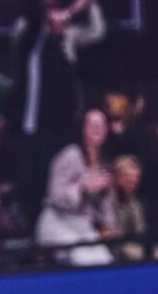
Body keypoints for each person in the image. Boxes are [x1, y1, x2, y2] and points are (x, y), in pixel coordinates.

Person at [34, 109, 115, 266]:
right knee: (82, 259)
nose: (98, 129)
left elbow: (104, 206)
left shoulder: (103, 162)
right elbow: (55, 195)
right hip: (58, 222)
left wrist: (107, 218)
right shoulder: (70, 154)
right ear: (84, 129)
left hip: (83, 225)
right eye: (93, 125)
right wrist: (83, 188)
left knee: (105, 260)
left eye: (102, 125)